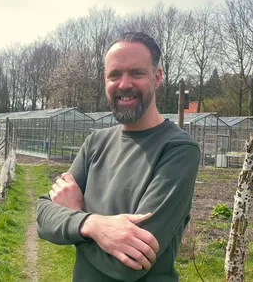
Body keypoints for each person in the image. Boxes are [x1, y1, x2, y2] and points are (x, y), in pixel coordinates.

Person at [36, 32, 200, 282]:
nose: (124, 84)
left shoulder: (178, 149)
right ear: (105, 79)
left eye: (136, 73)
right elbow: (42, 217)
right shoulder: (96, 143)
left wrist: (72, 218)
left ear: (156, 78)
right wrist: (90, 225)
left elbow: (129, 263)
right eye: (115, 74)